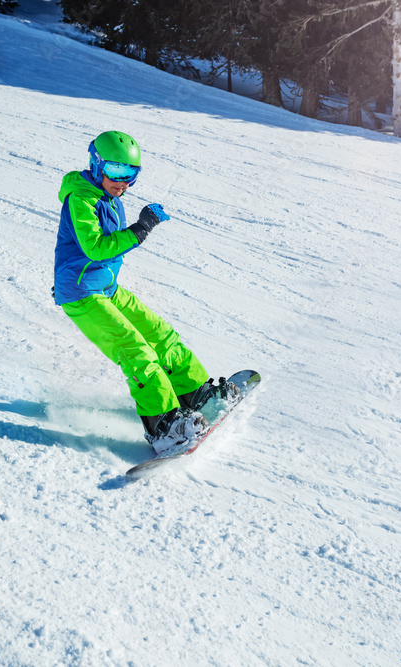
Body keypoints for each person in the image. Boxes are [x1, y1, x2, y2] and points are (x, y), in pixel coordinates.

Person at [53, 131, 237, 452]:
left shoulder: (109, 199)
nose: (122, 182)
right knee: (135, 350)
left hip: (106, 288)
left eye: (130, 175)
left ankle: (193, 392)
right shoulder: (80, 200)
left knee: (160, 334)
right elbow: (96, 248)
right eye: (115, 172)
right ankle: (162, 422)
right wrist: (140, 229)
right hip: (82, 293)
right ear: (97, 166)